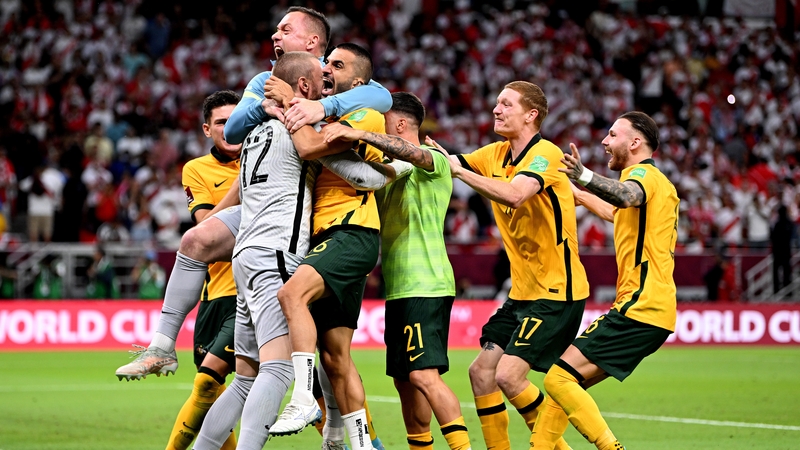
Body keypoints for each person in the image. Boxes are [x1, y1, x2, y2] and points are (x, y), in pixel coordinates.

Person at [113, 5, 393, 383]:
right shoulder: (265, 79)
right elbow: (233, 130)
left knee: (331, 352)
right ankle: (162, 346)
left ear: (312, 41)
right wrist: (266, 104)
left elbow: (383, 99)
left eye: (285, 29)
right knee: (196, 240)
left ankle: (351, 437)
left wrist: (319, 106)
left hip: (328, 213)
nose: (274, 35)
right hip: (274, 207)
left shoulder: (337, 76)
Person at [192, 53, 397, 450]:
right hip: (275, 254)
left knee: (246, 377)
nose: (325, 85)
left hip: (244, 255)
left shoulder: (254, 133)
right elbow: (357, 173)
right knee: (277, 370)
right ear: (302, 88)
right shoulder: (301, 129)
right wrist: (395, 168)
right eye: (319, 79)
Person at [434, 81, 588, 450]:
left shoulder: (546, 154)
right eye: (496, 103)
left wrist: (459, 172)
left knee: (508, 374)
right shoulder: (497, 153)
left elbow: (516, 194)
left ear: (531, 115)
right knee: (480, 372)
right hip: (522, 294)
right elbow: (446, 163)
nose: (496, 110)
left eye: (506, 104)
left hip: (558, 292)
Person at [322, 92, 472, 450]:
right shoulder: (385, 170)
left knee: (423, 374)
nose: (374, 126)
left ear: (400, 124)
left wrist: (360, 134)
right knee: (405, 380)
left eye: (381, 120)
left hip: (425, 282)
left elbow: (416, 154)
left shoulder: (433, 158)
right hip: (400, 287)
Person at [531, 111, 678, 450]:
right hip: (653, 310)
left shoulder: (641, 175)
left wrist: (583, 176)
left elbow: (625, 196)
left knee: (557, 377)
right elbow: (617, 210)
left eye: (613, 135)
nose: (605, 142)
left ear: (635, 142)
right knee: (566, 387)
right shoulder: (661, 186)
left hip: (638, 307)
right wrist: (578, 194)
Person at [267, 43, 390, 450]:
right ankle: (355, 444)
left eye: (336, 65)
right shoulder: (327, 115)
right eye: (325, 63)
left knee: (291, 294)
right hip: (328, 236)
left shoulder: (364, 114)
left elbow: (310, 148)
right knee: (336, 357)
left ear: (358, 82)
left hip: (350, 231)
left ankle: (303, 398)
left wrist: (290, 106)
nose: (326, 69)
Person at [116, 90, 243, 450]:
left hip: (255, 289)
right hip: (214, 294)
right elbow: (206, 228)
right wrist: (246, 180)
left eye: (237, 120)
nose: (230, 128)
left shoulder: (270, 157)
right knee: (210, 391)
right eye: (221, 122)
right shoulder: (197, 169)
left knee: (317, 378)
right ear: (207, 129)